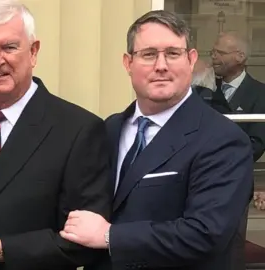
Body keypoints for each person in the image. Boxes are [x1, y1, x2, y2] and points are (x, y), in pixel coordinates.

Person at [60, 10, 254, 270]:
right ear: (128, 63)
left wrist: (110, 236)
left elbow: (205, 233)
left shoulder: (224, 140)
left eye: (173, 53)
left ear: (191, 59)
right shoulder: (109, 129)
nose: (161, 65)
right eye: (149, 54)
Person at [0, 0, 110, 269]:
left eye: (9, 47)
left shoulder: (78, 130)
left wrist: (3, 249)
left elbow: (83, 243)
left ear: (34, 51)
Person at [211, 31, 265, 161]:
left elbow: (256, 144)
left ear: (240, 57)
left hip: (238, 175)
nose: (214, 56)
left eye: (221, 53)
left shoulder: (260, 94)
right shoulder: (205, 90)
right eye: (212, 52)